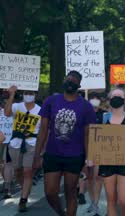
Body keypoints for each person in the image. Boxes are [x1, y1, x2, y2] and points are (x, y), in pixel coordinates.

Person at [33, 71, 96, 216]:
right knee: (50, 192)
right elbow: (43, 129)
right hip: (52, 154)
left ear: (79, 85)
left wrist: (88, 160)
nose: (70, 81)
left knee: (71, 191)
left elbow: (88, 135)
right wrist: (37, 155)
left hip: (75, 156)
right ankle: (61, 213)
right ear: (63, 81)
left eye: (74, 80)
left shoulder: (86, 107)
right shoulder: (51, 101)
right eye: (68, 79)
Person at [94, 88, 125, 216]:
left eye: (119, 96)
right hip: (107, 162)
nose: (116, 98)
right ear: (109, 100)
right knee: (111, 200)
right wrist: (93, 156)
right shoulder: (102, 118)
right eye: (113, 96)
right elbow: (96, 140)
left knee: (123, 200)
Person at [4, 86, 41, 212]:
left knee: (27, 171)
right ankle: (26, 187)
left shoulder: (39, 111)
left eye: (31, 93)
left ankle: (23, 200)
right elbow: (7, 113)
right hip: (16, 144)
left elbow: (42, 131)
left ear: (35, 95)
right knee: (18, 171)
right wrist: (11, 95)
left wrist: (42, 150)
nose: (28, 95)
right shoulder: (17, 106)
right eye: (26, 93)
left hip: (31, 144)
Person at [81, 92, 106, 215]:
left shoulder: (104, 115)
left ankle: (96, 202)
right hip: (86, 148)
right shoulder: (83, 113)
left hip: (100, 147)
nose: (95, 101)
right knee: (89, 177)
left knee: (98, 176)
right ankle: (92, 201)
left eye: (97, 98)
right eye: (92, 99)